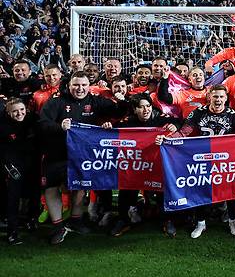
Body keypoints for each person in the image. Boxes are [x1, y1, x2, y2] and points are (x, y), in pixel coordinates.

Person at [39, 72, 126, 244]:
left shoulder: (95, 101)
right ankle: (57, 226)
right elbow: (42, 123)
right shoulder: (56, 102)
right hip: (56, 153)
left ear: (89, 86)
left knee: (80, 186)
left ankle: (76, 220)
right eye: (76, 85)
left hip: (82, 154)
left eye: (84, 85)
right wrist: (59, 126)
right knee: (52, 187)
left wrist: (122, 101)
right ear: (69, 85)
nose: (80, 89)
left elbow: (118, 112)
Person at [161, 85, 235, 240]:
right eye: (215, 96)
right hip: (204, 157)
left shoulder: (233, 115)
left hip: (225, 159)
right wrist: (168, 139)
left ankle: (232, 220)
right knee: (201, 188)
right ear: (209, 97)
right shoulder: (199, 112)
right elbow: (184, 132)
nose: (218, 100)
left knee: (230, 189)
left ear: (226, 98)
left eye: (221, 97)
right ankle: (201, 223)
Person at [106, 95, 180, 238]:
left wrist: (175, 126)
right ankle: (123, 220)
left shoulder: (161, 118)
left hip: (156, 164)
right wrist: (107, 126)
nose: (146, 110)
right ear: (134, 110)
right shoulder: (128, 122)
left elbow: (179, 122)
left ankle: (167, 220)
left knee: (162, 190)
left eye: (148, 106)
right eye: (141, 107)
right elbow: (112, 131)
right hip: (135, 165)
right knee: (126, 189)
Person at [1, 98, 40, 245]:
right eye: (15, 111)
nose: (19, 113)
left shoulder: (33, 119)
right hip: (13, 165)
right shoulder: (2, 125)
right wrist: (6, 165)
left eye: (22, 109)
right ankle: (12, 232)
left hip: (32, 162)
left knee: (35, 192)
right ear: (8, 112)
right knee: (13, 197)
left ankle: (32, 220)